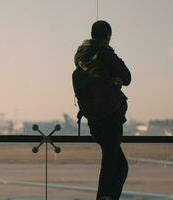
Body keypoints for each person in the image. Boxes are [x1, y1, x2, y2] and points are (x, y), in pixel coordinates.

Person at [72, 20, 131, 200]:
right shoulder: (104, 53)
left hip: (94, 120)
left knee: (117, 164)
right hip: (111, 116)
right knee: (113, 165)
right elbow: (127, 77)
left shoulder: (81, 58)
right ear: (108, 36)